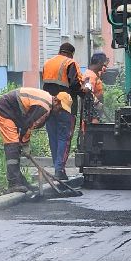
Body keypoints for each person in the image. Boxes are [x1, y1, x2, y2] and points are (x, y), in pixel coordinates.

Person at [0, 86, 66, 192]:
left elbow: (27, 124)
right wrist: (25, 143)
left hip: (14, 112)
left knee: (16, 146)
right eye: (61, 108)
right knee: (12, 146)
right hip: (5, 110)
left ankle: (20, 181)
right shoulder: (44, 106)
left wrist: (23, 142)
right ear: (56, 101)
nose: (60, 112)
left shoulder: (47, 102)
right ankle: (14, 183)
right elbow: (28, 125)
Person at [41, 42, 83, 179]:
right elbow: (75, 85)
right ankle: (60, 170)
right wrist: (85, 91)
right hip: (65, 106)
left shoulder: (48, 63)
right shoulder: (70, 63)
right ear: (71, 54)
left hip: (48, 105)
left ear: (60, 51)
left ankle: (57, 168)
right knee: (64, 138)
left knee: (53, 138)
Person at [78, 52, 109, 126]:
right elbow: (88, 92)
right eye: (103, 64)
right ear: (99, 62)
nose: (103, 66)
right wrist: (97, 103)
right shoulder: (90, 75)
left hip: (93, 110)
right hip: (91, 111)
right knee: (92, 130)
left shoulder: (93, 74)